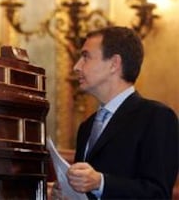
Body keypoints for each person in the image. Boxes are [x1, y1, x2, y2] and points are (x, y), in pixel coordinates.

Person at [65, 26, 178, 199]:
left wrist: (101, 183)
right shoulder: (87, 126)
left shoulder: (156, 117)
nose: (76, 66)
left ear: (114, 64)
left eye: (86, 57)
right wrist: (67, 192)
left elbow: (158, 193)